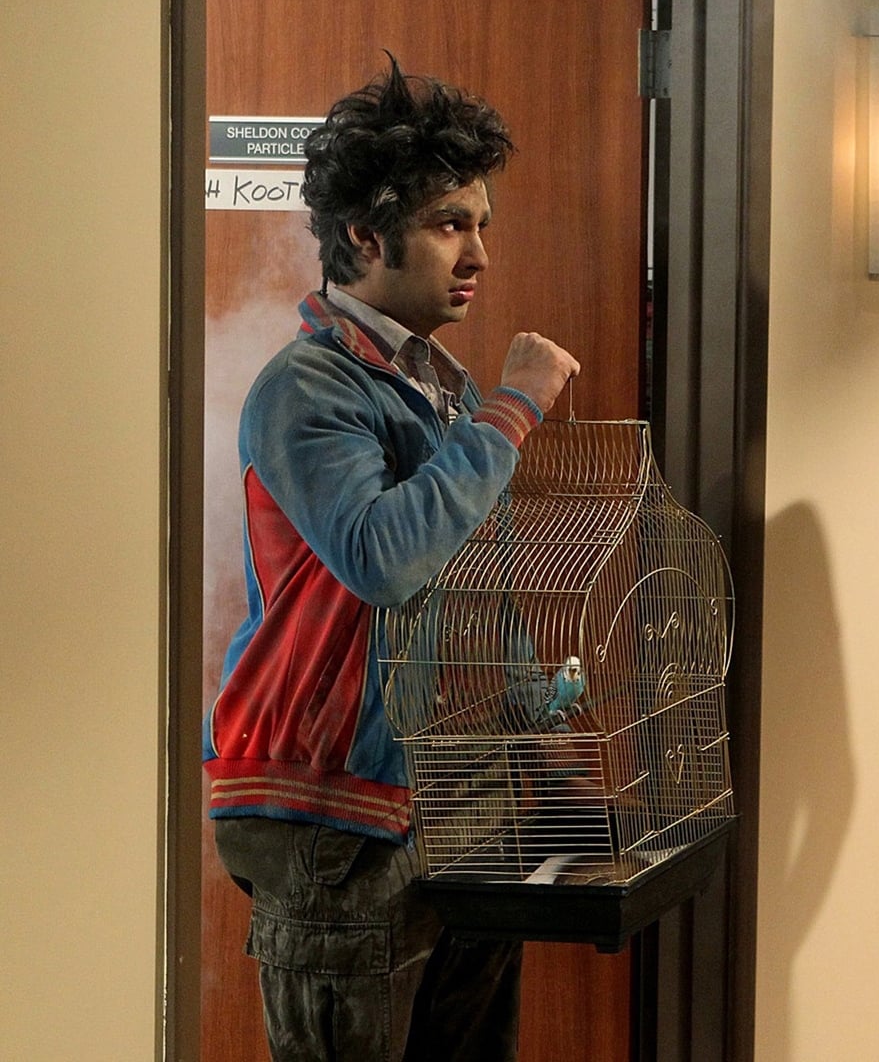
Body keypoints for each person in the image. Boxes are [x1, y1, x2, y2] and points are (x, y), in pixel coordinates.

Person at [203, 58, 579, 1062]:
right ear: (366, 237)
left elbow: (466, 586)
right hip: (340, 818)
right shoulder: (309, 387)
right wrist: (515, 406)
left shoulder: (434, 385)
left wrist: (538, 723)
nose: (479, 254)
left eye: (481, 224)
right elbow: (383, 557)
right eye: (451, 224)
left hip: (454, 799)